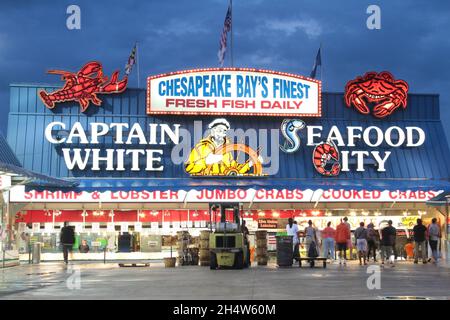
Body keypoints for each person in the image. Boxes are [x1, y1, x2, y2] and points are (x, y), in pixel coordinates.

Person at [185, 118, 263, 175]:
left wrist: (251, 162)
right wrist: (205, 162)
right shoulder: (200, 147)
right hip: (205, 189)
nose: (222, 133)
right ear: (212, 131)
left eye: (224, 131)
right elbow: (189, 168)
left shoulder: (227, 151)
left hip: (224, 190)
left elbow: (235, 170)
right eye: (219, 130)